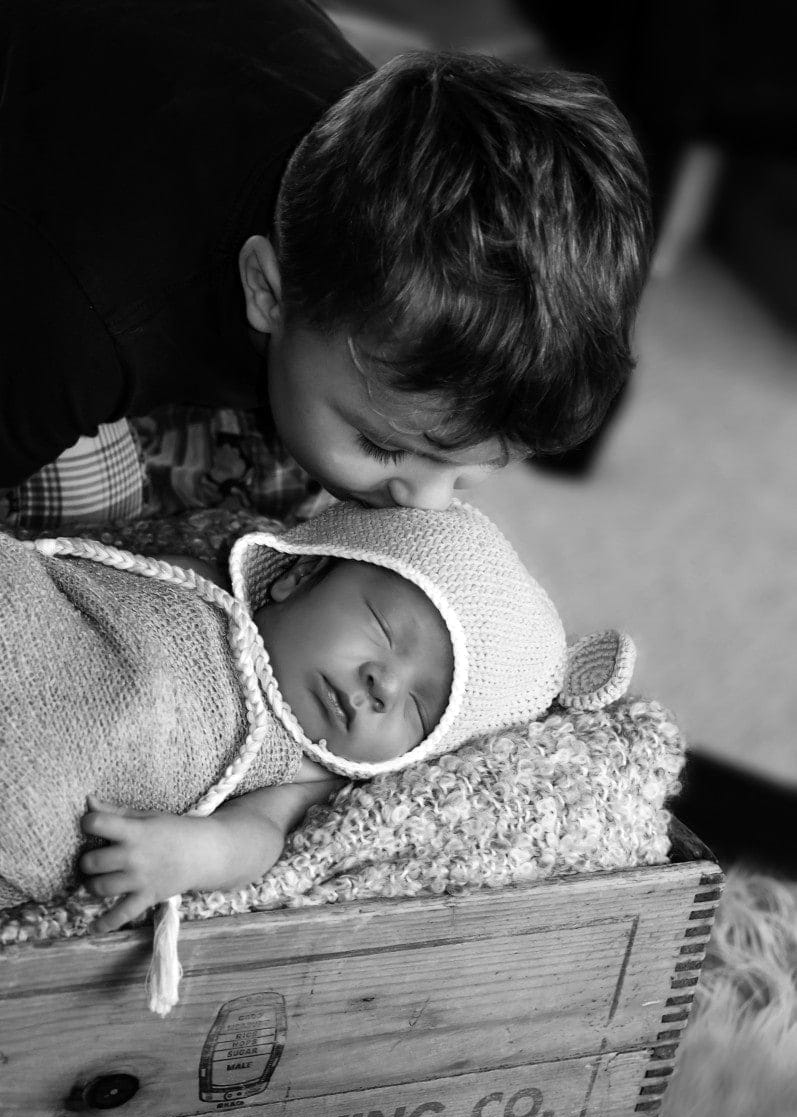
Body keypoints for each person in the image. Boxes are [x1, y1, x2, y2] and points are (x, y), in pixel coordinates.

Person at [0, 0, 652, 527]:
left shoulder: (389, 146)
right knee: (89, 507)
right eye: (383, 444)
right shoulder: (91, 325)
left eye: (482, 463)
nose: (427, 502)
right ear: (268, 291)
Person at [1, 501, 602, 932]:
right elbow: (72, 578)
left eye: (420, 709)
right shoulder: (193, 579)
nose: (385, 683)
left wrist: (191, 855)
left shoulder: (305, 772)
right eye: (384, 628)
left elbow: (256, 838)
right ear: (295, 576)